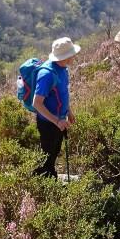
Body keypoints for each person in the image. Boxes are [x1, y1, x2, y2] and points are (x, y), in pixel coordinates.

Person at [32, 36, 79, 178]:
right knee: (47, 155)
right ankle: (43, 181)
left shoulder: (63, 69)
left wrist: (69, 112)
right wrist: (57, 121)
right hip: (48, 124)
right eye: (72, 54)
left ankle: (51, 176)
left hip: (59, 120)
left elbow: (62, 93)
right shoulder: (46, 74)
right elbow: (37, 103)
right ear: (65, 56)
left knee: (55, 150)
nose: (74, 56)